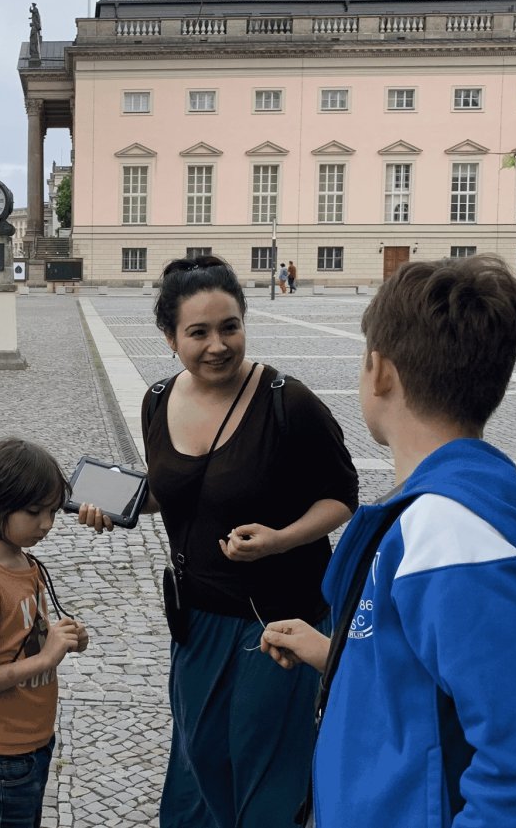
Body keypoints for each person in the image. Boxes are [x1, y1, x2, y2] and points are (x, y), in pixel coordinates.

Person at [260, 256, 516, 828]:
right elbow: (430, 672)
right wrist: (337, 652)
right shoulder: (442, 509)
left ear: (380, 371)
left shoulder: (452, 536)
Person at [77, 255, 358, 828]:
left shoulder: (288, 401)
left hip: (279, 621)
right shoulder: (157, 399)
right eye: (198, 332)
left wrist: (281, 540)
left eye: (230, 326)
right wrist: (118, 504)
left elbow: (343, 497)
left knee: (265, 773)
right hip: (198, 618)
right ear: (169, 337)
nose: (217, 344)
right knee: (199, 761)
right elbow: (173, 491)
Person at [0, 438, 88, 828]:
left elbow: (24, 636)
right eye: (33, 512)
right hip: (1, 755)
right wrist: (45, 659)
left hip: (35, 741)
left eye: (52, 512)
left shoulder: (24, 561)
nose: (46, 524)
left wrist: (64, 636)